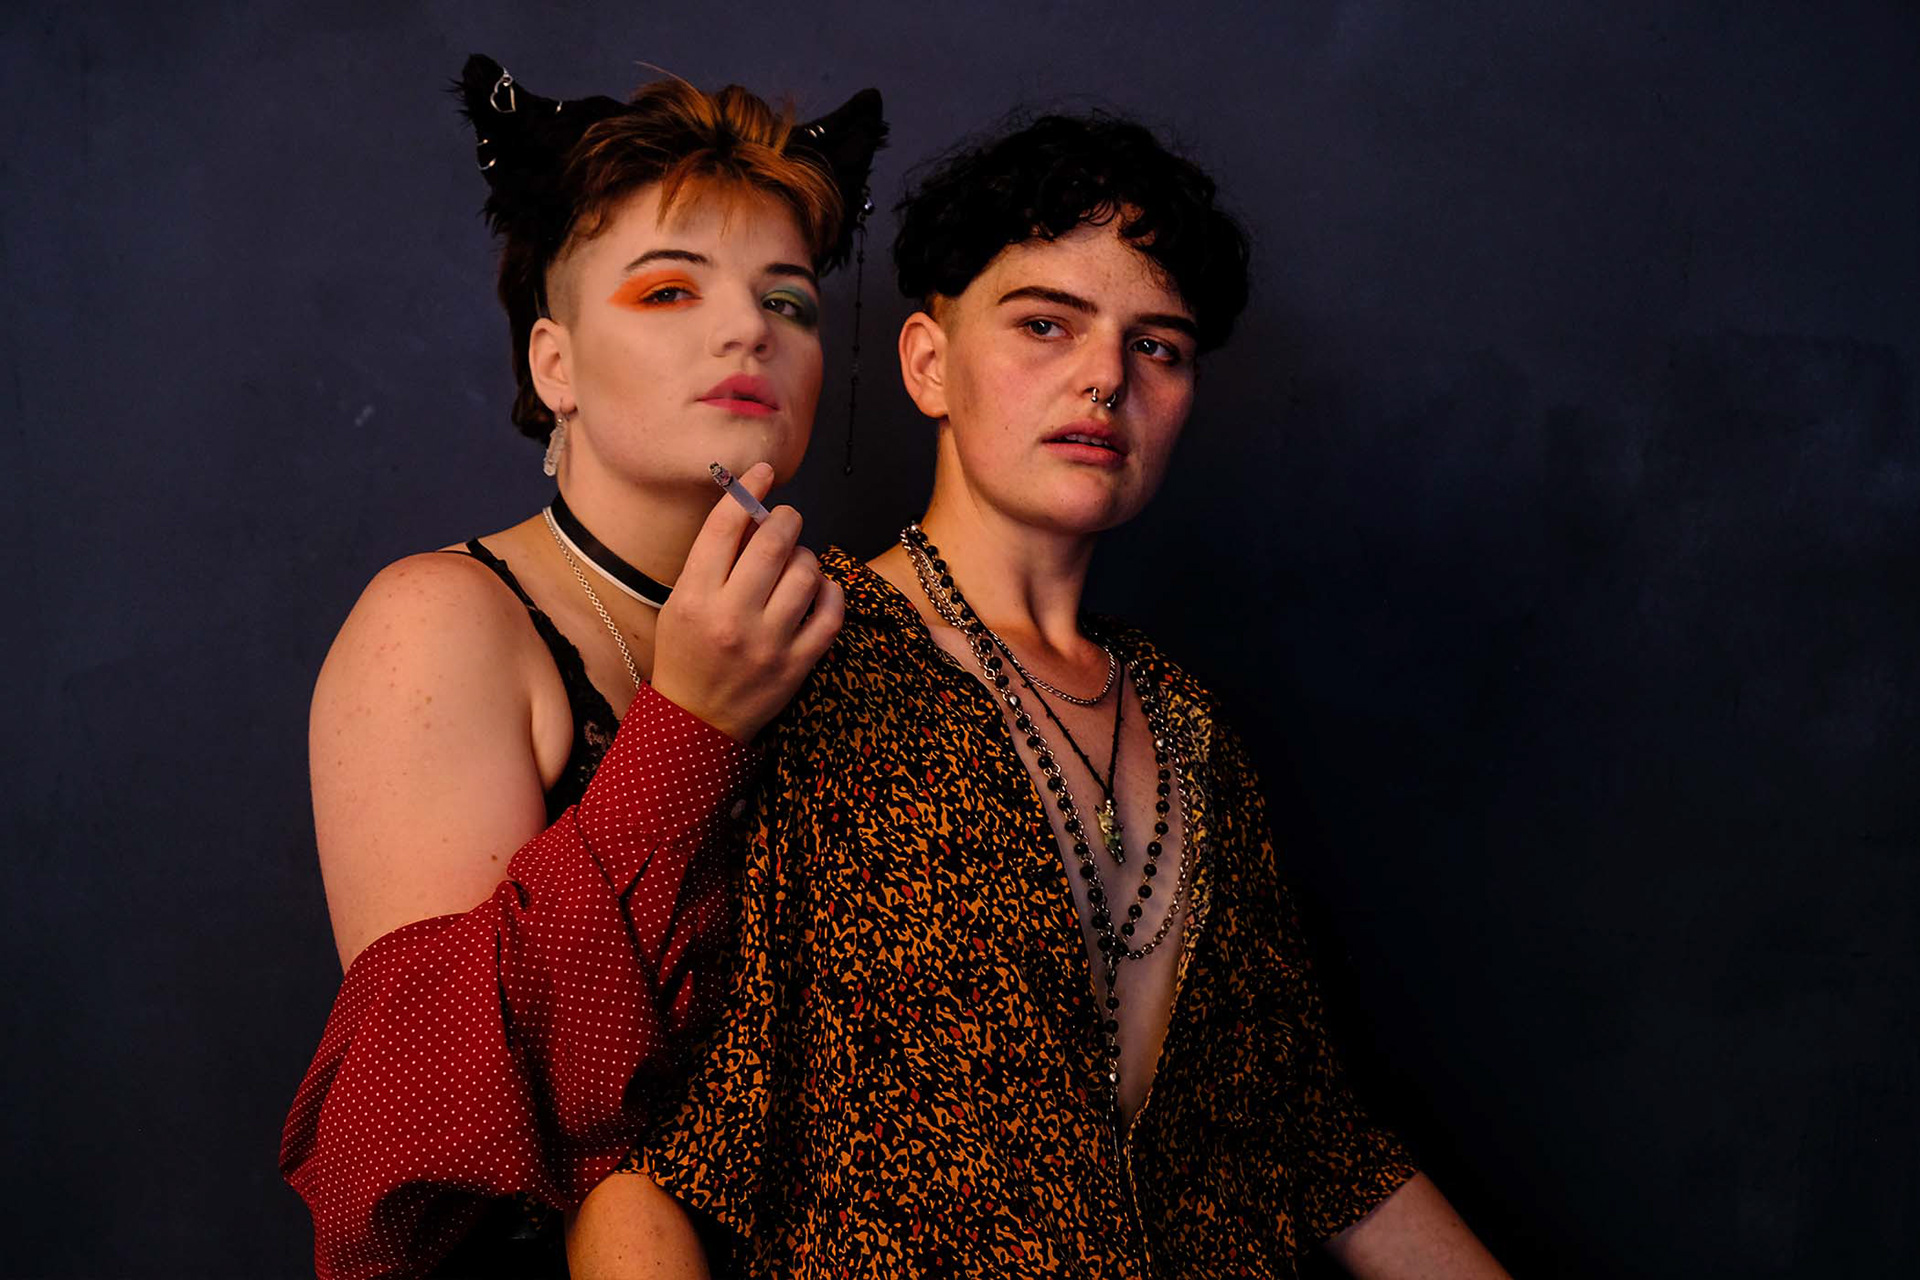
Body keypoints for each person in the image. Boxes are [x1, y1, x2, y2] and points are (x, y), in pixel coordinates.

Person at [572, 114, 1513, 1278]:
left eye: (1158, 346)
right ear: (929, 363)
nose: (1106, 376)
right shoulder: (787, 662)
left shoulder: (1190, 727)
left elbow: (1319, 1140)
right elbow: (632, 1148)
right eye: (1045, 323)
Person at [279, 55, 884, 1280]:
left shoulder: (862, 632)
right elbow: (422, 1140)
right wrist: (690, 727)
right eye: (668, 290)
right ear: (554, 363)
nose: (748, 329)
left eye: (791, 301)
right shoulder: (441, 622)